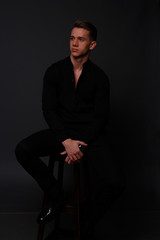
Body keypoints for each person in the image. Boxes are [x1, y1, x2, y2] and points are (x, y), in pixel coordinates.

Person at [15, 20, 123, 239]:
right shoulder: (54, 71)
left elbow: (101, 117)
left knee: (115, 183)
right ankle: (57, 197)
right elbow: (48, 110)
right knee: (23, 149)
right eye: (72, 38)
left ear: (92, 45)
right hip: (61, 133)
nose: (74, 43)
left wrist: (80, 143)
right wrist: (66, 140)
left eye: (81, 39)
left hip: (89, 135)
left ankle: (85, 220)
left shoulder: (100, 77)